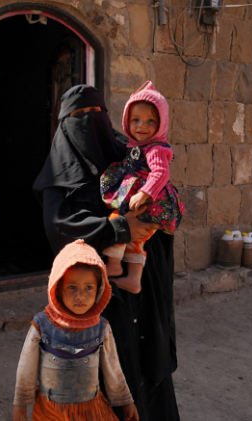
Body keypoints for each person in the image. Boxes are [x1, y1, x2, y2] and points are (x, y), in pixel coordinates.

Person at [34, 85, 181, 421]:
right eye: (79, 116)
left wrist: (150, 219)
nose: (90, 121)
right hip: (97, 296)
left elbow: (166, 198)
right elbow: (60, 227)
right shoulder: (59, 174)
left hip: (144, 288)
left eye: (97, 113)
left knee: (147, 365)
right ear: (64, 122)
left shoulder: (128, 152)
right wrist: (120, 227)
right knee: (110, 373)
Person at [12, 240, 140, 421]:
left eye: (89, 287)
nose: (80, 295)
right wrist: (20, 402)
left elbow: (113, 368)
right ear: (57, 288)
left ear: (99, 290)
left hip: (91, 410)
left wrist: (126, 401)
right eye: (72, 287)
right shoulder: (42, 324)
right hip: (51, 411)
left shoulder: (101, 327)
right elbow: (27, 368)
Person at [99, 81, 184, 294]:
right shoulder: (136, 146)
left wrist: (144, 193)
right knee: (138, 239)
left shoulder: (155, 148)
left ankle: (114, 265)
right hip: (146, 199)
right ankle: (134, 279)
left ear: (161, 124)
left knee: (118, 222)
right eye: (135, 120)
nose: (141, 126)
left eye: (150, 121)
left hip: (152, 201)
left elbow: (161, 173)